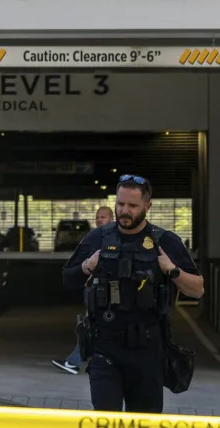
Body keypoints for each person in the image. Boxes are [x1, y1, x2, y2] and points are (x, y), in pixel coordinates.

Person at [62, 174, 203, 414]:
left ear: (148, 206)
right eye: (120, 204)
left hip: (147, 351)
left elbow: (197, 289)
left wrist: (173, 270)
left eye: (132, 205)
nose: (124, 211)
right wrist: (87, 266)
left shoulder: (164, 241)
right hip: (105, 347)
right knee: (107, 426)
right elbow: (68, 278)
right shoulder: (98, 237)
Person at [52, 205, 114, 374]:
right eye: (97, 217)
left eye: (103, 217)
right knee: (92, 326)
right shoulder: (94, 237)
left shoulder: (114, 238)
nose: (99, 220)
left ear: (111, 219)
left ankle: (75, 361)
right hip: (94, 289)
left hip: (109, 291)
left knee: (92, 326)